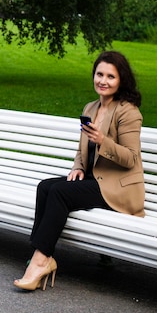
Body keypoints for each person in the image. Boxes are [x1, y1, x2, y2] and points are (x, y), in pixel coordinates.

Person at [13, 51, 145, 291]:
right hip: (95, 181)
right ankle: (40, 254)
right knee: (46, 187)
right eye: (99, 74)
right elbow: (81, 148)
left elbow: (131, 159)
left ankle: (40, 262)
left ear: (121, 80)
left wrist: (104, 141)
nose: (103, 81)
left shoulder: (128, 112)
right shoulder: (91, 107)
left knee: (61, 193)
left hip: (118, 189)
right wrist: (78, 167)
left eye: (110, 77)